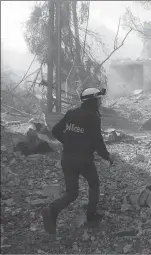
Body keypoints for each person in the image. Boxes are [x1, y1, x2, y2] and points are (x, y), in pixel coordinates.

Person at [42, 87, 114, 234]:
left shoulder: (71, 113)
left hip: (67, 158)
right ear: (92, 101)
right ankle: (91, 216)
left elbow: (55, 131)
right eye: (98, 100)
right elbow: (97, 141)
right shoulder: (93, 117)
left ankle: (52, 210)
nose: (100, 102)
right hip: (84, 160)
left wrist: (68, 142)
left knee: (72, 193)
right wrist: (107, 156)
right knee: (94, 185)